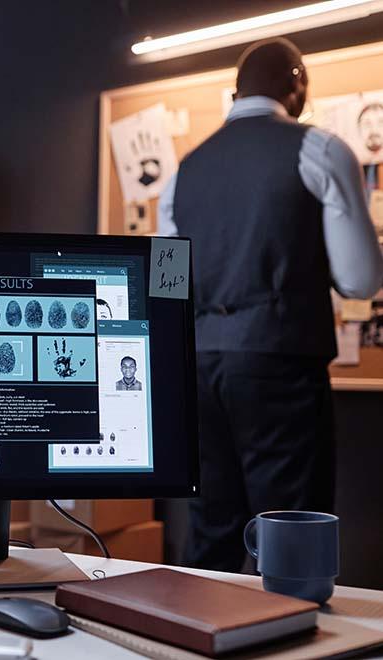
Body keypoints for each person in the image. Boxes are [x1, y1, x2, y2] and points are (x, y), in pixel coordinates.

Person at [158, 37, 383, 572]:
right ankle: (292, 651)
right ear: (297, 83)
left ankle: (196, 642)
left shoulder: (182, 171)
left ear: (234, 92)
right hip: (277, 360)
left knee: (211, 523)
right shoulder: (321, 149)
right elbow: (359, 280)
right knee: (289, 525)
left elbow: (166, 290)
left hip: (199, 367)